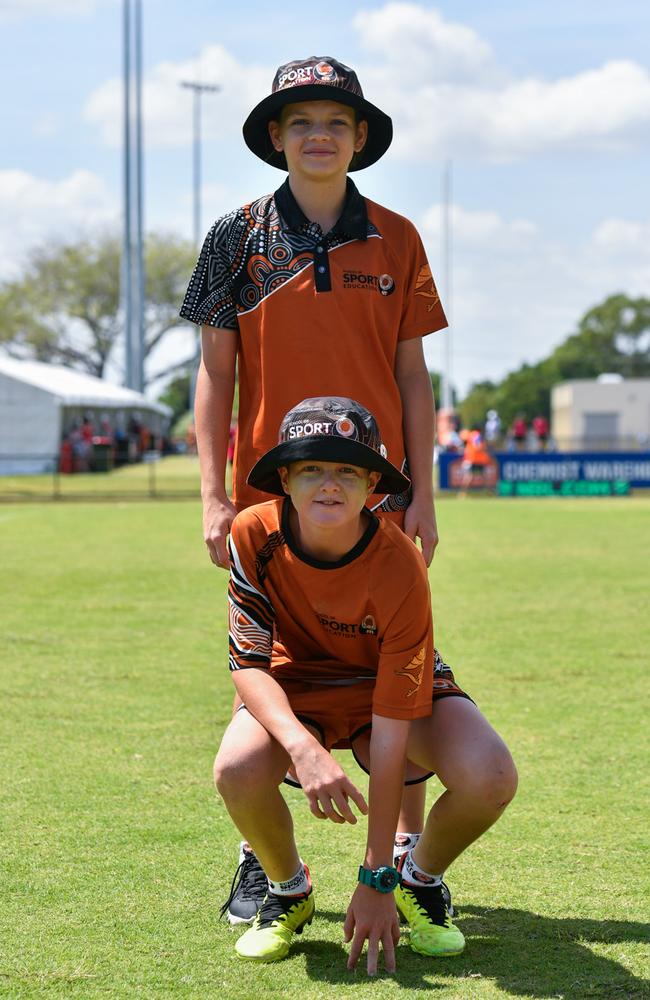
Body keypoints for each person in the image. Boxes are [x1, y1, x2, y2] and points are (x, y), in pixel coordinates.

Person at [180, 56, 449, 921]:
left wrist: (426, 495)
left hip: (378, 490)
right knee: (268, 665)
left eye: (336, 120)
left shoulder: (399, 236)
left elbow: (414, 377)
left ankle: (404, 859)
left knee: (387, 663)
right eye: (300, 122)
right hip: (273, 490)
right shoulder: (235, 236)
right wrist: (217, 497)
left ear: (361, 137)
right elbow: (213, 377)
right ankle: (266, 860)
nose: (319, 135)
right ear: (274, 137)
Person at [215, 397, 517, 973]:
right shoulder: (253, 533)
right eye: (311, 468)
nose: (330, 485)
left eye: (348, 470)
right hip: (296, 682)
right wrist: (302, 749)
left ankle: (416, 877)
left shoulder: (399, 563)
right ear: (284, 477)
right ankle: (288, 889)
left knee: (491, 774)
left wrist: (376, 875)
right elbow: (247, 663)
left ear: (373, 482)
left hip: (388, 685)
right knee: (236, 768)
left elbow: (392, 726)